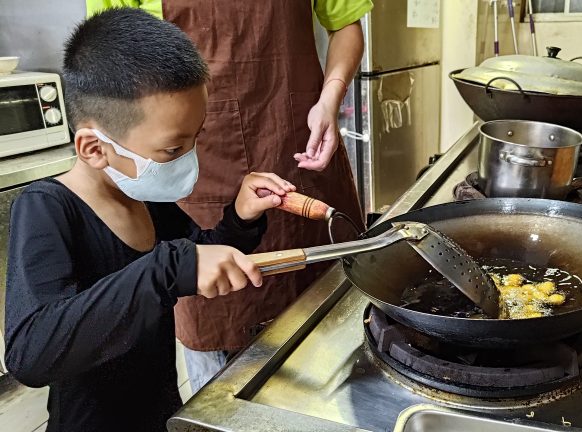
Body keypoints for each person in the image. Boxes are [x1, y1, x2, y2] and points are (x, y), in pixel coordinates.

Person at [3, 9, 295, 431]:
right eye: (172, 150)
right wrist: (165, 268)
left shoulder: (143, 195)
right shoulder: (47, 208)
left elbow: (197, 255)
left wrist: (241, 218)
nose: (189, 160)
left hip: (159, 410)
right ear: (93, 148)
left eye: (196, 139)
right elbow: (31, 352)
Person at [85, 0, 373, 392]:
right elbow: (110, 68)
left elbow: (346, 26)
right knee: (226, 365)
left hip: (299, 150)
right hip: (198, 170)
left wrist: (329, 100)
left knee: (335, 336)